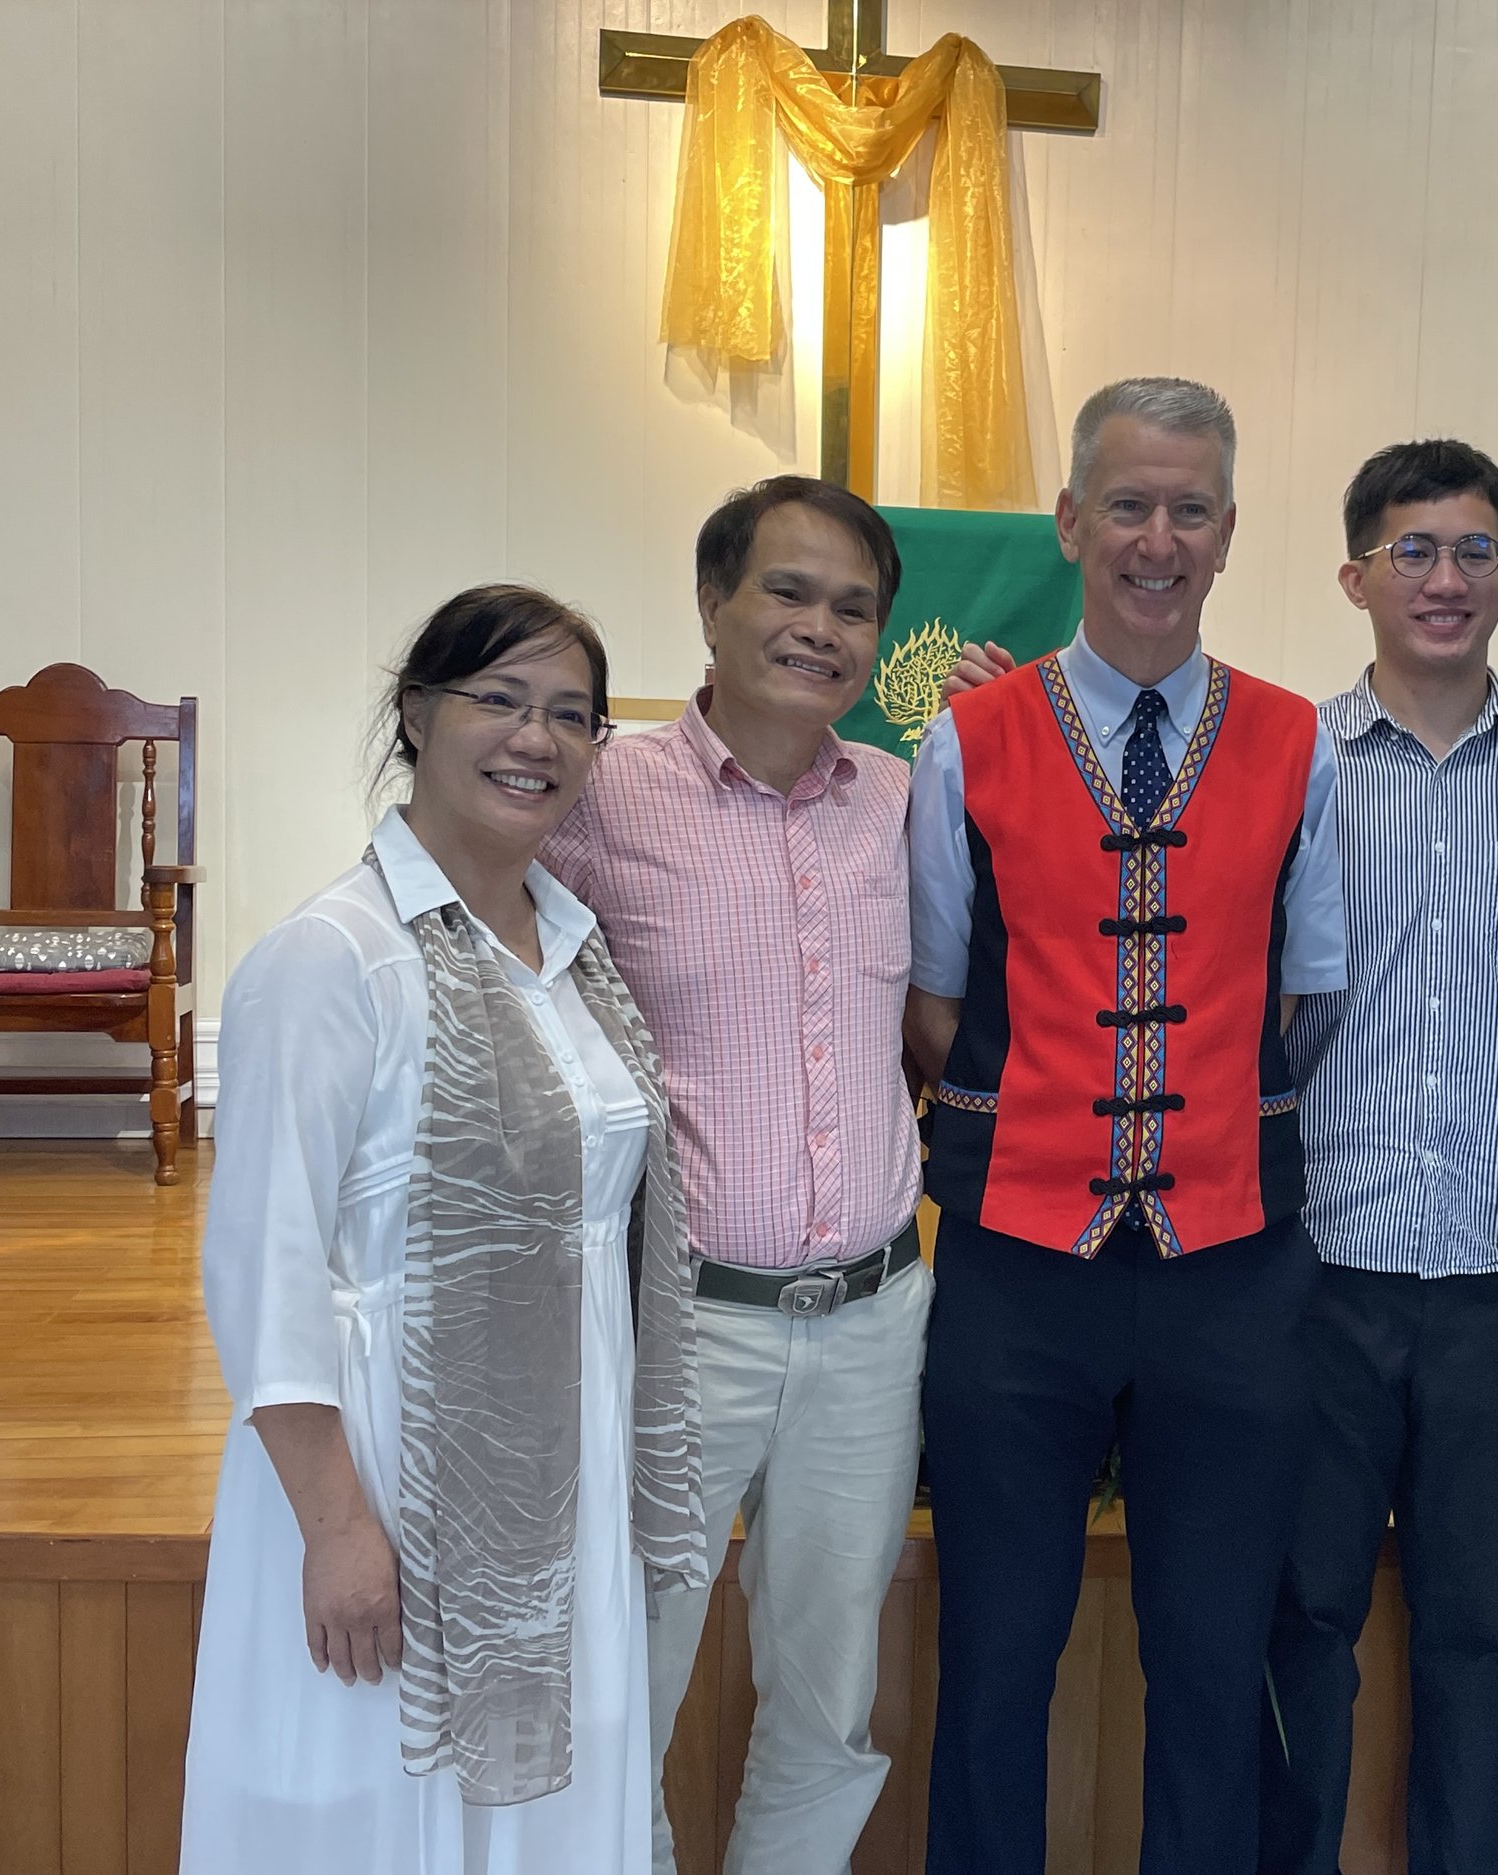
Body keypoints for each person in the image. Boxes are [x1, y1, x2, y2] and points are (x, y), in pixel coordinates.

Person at [183, 586, 706, 1875]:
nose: (537, 738)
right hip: (389, 1458)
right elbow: (265, 1265)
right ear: (417, 713)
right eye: (500, 700)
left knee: (539, 1806)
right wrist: (338, 1528)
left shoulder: (573, 952)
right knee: (376, 1794)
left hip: (556, 1454)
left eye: (572, 716)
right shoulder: (333, 957)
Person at [904, 375, 1347, 1873]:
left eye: (1192, 509)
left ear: (1228, 534)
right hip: (1019, 1269)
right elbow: (939, 995)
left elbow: (1311, 992)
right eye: (1131, 505)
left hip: (1234, 1273)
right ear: (1072, 523)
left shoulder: (1301, 742)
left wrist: (1200, 1126)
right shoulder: (967, 739)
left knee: (1217, 1667)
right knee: (995, 1661)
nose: (1159, 538)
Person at [539, 478, 925, 1875]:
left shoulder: (898, 800)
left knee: (832, 1691)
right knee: (626, 1678)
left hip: (875, 1324)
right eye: (787, 591)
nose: (819, 628)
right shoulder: (604, 793)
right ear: (711, 604)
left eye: (852, 607)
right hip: (681, 1328)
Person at [1259, 439, 1498, 1875]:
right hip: (1316, 1273)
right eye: (1413, 550)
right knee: (1303, 1622)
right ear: (1356, 577)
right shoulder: (1286, 770)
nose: (1444, 578)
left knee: (1479, 1632)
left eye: (1473, 550)